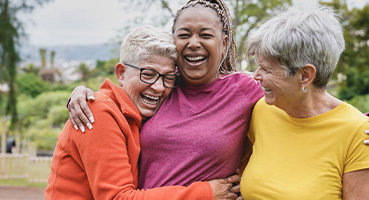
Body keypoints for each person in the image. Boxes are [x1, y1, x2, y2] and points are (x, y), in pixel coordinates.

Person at [67, 0, 262, 192]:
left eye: (206, 35)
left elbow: (288, 103)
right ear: (174, 41)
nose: (194, 43)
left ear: (224, 42)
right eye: (184, 35)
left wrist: (249, 182)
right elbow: (120, 99)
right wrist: (82, 93)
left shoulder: (245, 90)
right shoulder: (163, 86)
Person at [45, 26, 240, 200]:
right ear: (121, 74)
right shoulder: (99, 112)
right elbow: (118, 197)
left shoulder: (138, 113)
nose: (158, 87)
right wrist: (207, 193)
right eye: (147, 74)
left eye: (168, 78)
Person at [240, 7, 369, 199]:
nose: (256, 75)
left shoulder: (358, 134)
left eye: (266, 69)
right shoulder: (262, 110)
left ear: (305, 75)